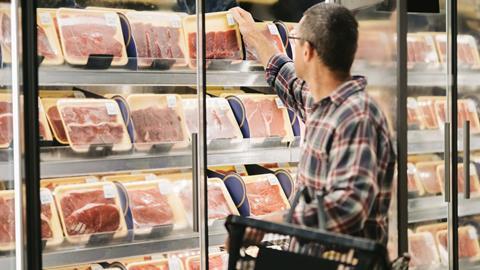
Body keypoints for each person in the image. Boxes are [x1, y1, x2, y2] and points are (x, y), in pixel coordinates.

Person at [229, 3, 396, 245]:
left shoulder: (357, 116)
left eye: (295, 39)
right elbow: (288, 78)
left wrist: (273, 223)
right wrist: (255, 37)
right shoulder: (323, 102)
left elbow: (348, 208)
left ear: (307, 50)